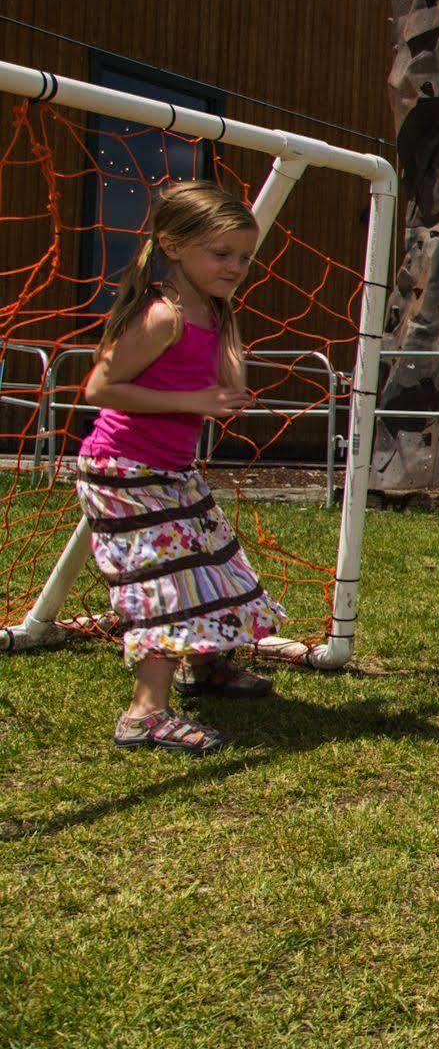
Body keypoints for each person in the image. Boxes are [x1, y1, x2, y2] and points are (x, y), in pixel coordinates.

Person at [77, 181, 285, 754]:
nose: (236, 266)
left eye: (244, 257)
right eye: (221, 254)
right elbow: (100, 386)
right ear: (171, 244)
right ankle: (144, 715)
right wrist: (191, 403)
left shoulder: (212, 308)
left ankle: (206, 667)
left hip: (170, 469)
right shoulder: (161, 314)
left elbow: (227, 382)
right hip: (124, 474)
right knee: (164, 587)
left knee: (215, 565)